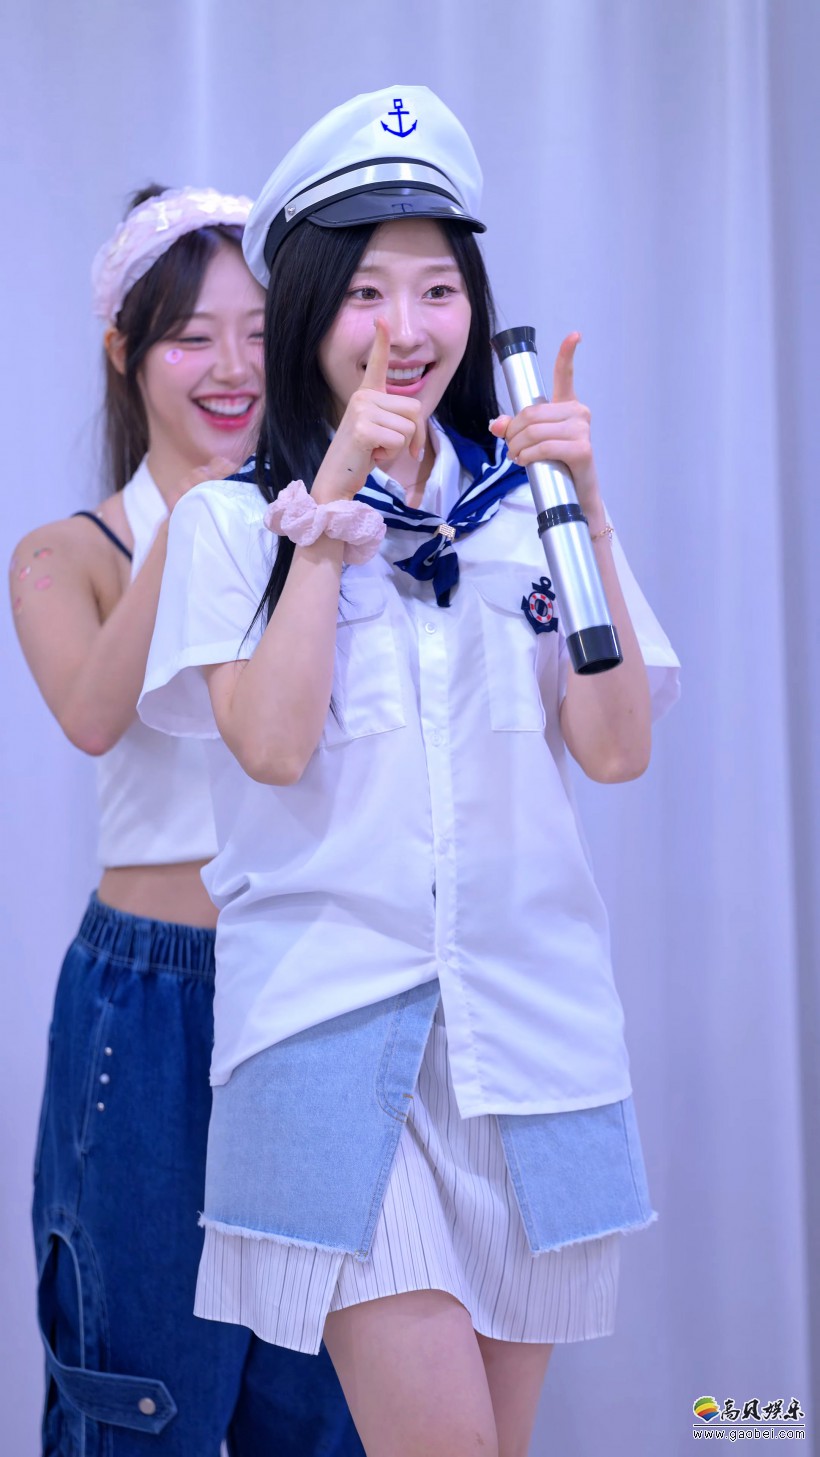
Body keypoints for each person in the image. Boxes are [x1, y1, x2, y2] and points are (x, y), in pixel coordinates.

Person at [139, 90, 681, 1457]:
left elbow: (616, 749)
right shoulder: (232, 522)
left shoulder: (523, 510)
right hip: (331, 1037)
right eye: (367, 291)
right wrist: (331, 513)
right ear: (310, 314)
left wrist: (585, 507)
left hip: (528, 1041)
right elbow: (270, 745)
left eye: (438, 289)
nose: (409, 326)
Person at [10, 184, 363, 1456]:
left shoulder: (322, 527)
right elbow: (92, 713)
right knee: (144, 1395)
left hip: (313, 977)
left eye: (258, 331)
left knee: (321, 1399)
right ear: (125, 352)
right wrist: (197, 517)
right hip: (152, 999)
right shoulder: (66, 553)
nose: (232, 367)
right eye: (190, 337)